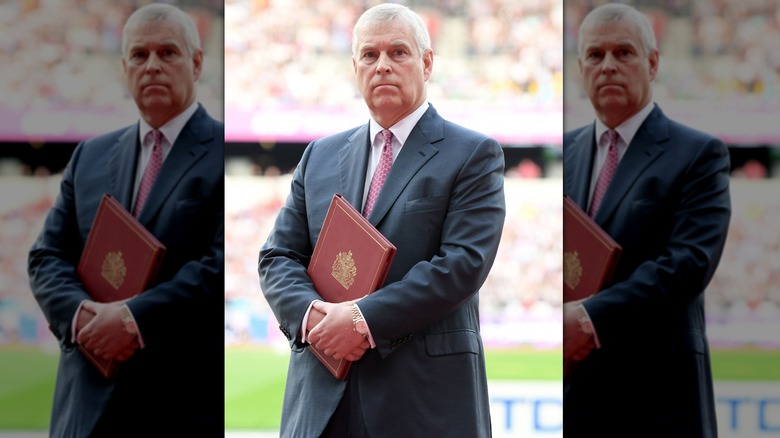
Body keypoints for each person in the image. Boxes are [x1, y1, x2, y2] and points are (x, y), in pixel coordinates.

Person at [259, 3, 505, 437]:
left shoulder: (472, 154)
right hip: (320, 403)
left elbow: (462, 265)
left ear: (427, 62)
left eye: (398, 53)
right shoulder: (318, 156)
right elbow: (277, 256)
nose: (383, 66)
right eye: (370, 56)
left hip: (421, 402)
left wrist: (360, 320)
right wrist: (315, 317)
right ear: (355, 68)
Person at [27, 4, 223, 437]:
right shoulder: (89, 156)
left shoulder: (222, 152)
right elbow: (46, 257)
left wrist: (135, 320)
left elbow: (219, 265)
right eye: (139, 55)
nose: (152, 66)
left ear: (196, 62)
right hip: (85, 406)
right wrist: (83, 318)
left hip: (179, 405)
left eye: (167, 53)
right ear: (124, 67)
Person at [562, 3, 730, 436]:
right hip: (579, 398)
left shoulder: (697, 154)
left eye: (624, 53)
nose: (609, 67)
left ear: (652, 63)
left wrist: (587, 318)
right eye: (596, 56)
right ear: (581, 68)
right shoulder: (566, 152)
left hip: (661, 397)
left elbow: (688, 263)